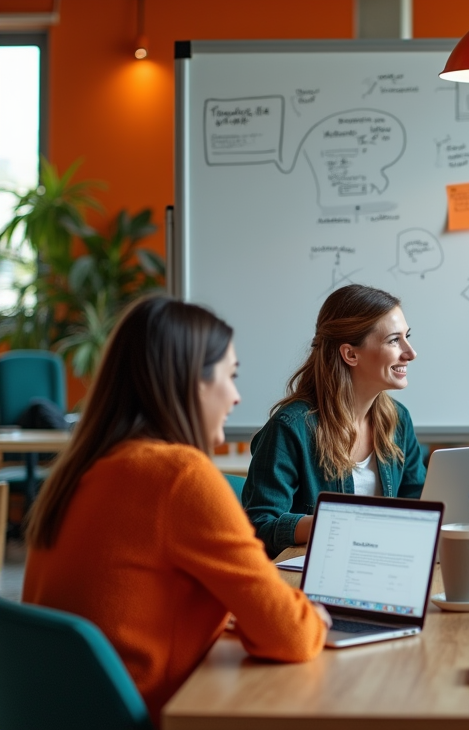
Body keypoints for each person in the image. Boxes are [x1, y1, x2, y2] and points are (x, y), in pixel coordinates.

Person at [22, 296, 329, 725]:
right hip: (157, 712)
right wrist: (311, 615)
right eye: (231, 376)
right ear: (192, 383)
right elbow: (292, 636)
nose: (238, 397)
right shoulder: (180, 476)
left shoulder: (81, 469)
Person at [244, 283, 469, 558]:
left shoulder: (397, 420)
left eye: (408, 337)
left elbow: (421, 503)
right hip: (316, 579)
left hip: (388, 563)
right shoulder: (291, 428)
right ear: (350, 354)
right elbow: (259, 526)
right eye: (394, 340)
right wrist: (338, 520)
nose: (411, 353)